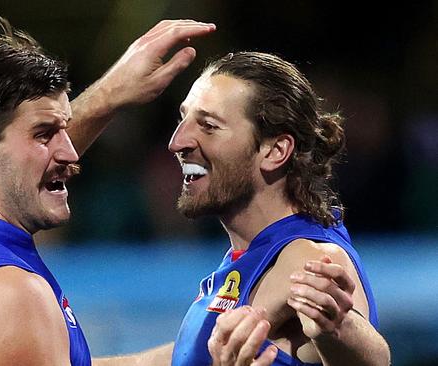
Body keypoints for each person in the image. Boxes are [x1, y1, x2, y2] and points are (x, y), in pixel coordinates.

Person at [0, 15, 216, 365]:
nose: (70, 153)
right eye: (44, 133)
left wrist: (200, 355)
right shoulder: (9, 297)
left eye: (64, 129)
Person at [165, 52, 391, 365]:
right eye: (183, 118)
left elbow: (372, 359)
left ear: (275, 151)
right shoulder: (250, 256)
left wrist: (341, 327)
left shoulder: (307, 258)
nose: (177, 142)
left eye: (209, 126)